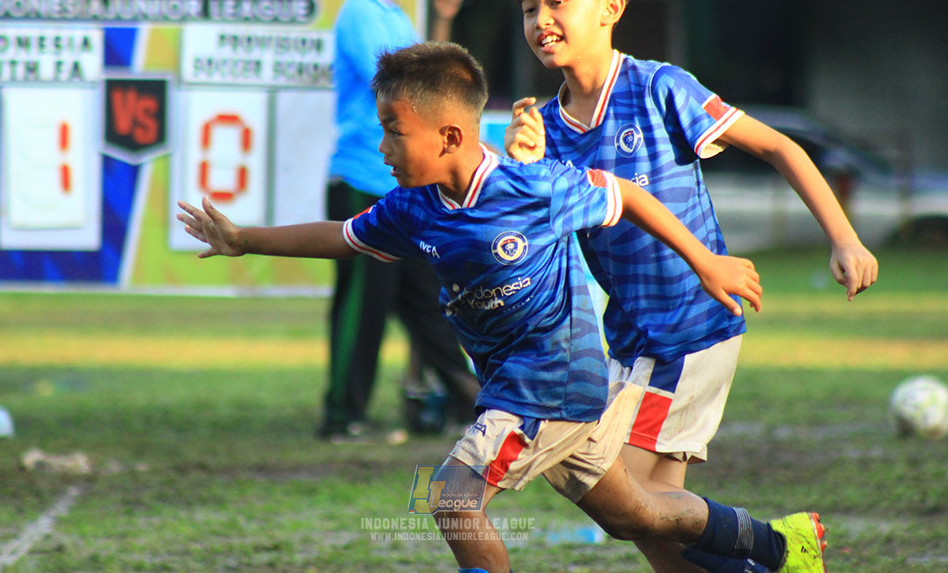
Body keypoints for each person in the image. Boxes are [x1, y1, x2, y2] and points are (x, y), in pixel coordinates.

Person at [178, 41, 826, 573]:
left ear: (450, 133)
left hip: (546, 384)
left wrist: (705, 260)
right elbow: (344, 237)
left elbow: (629, 196)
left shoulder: (532, 186)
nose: (382, 148)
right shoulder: (414, 207)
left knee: (454, 500)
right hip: (547, 391)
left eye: (393, 132)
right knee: (639, 514)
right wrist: (242, 239)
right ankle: (780, 543)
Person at [504, 0, 877, 572]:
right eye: (530, 8)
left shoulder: (658, 89)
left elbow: (779, 146)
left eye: (557, 0)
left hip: (689, 330)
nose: (541, 20)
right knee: (652, 513)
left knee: (619, 491)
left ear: (611, 6)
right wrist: (524, 176)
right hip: (632, 337)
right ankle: (779, 555)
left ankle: (779, 545)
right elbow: (536, 248)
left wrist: (843, 236)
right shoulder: (544, 130)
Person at [323, 0, 478, 440]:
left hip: (400, 183)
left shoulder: (391, 11)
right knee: (361, 306)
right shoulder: (362, 13)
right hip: (365, 178)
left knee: (430, 301)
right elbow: (404, 91)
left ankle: (474, 402)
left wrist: (441, 24)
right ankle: (342, 414)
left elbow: (423, 80)